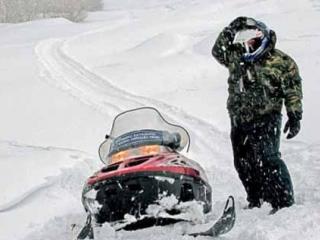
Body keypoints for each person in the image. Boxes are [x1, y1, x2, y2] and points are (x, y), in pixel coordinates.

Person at [211, 16, 303, 212]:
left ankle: (283, 202)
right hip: (239, 118)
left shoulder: (280, 61)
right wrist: (228, 30)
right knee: (243, 162)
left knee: (268, 158)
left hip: (267, 116)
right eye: (244, 40)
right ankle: (256, 199)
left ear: (261, 36)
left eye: (251, 40)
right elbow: (218, 51)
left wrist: (294, 116)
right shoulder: (236, 56)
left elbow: (293, 89)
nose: (248, 44)